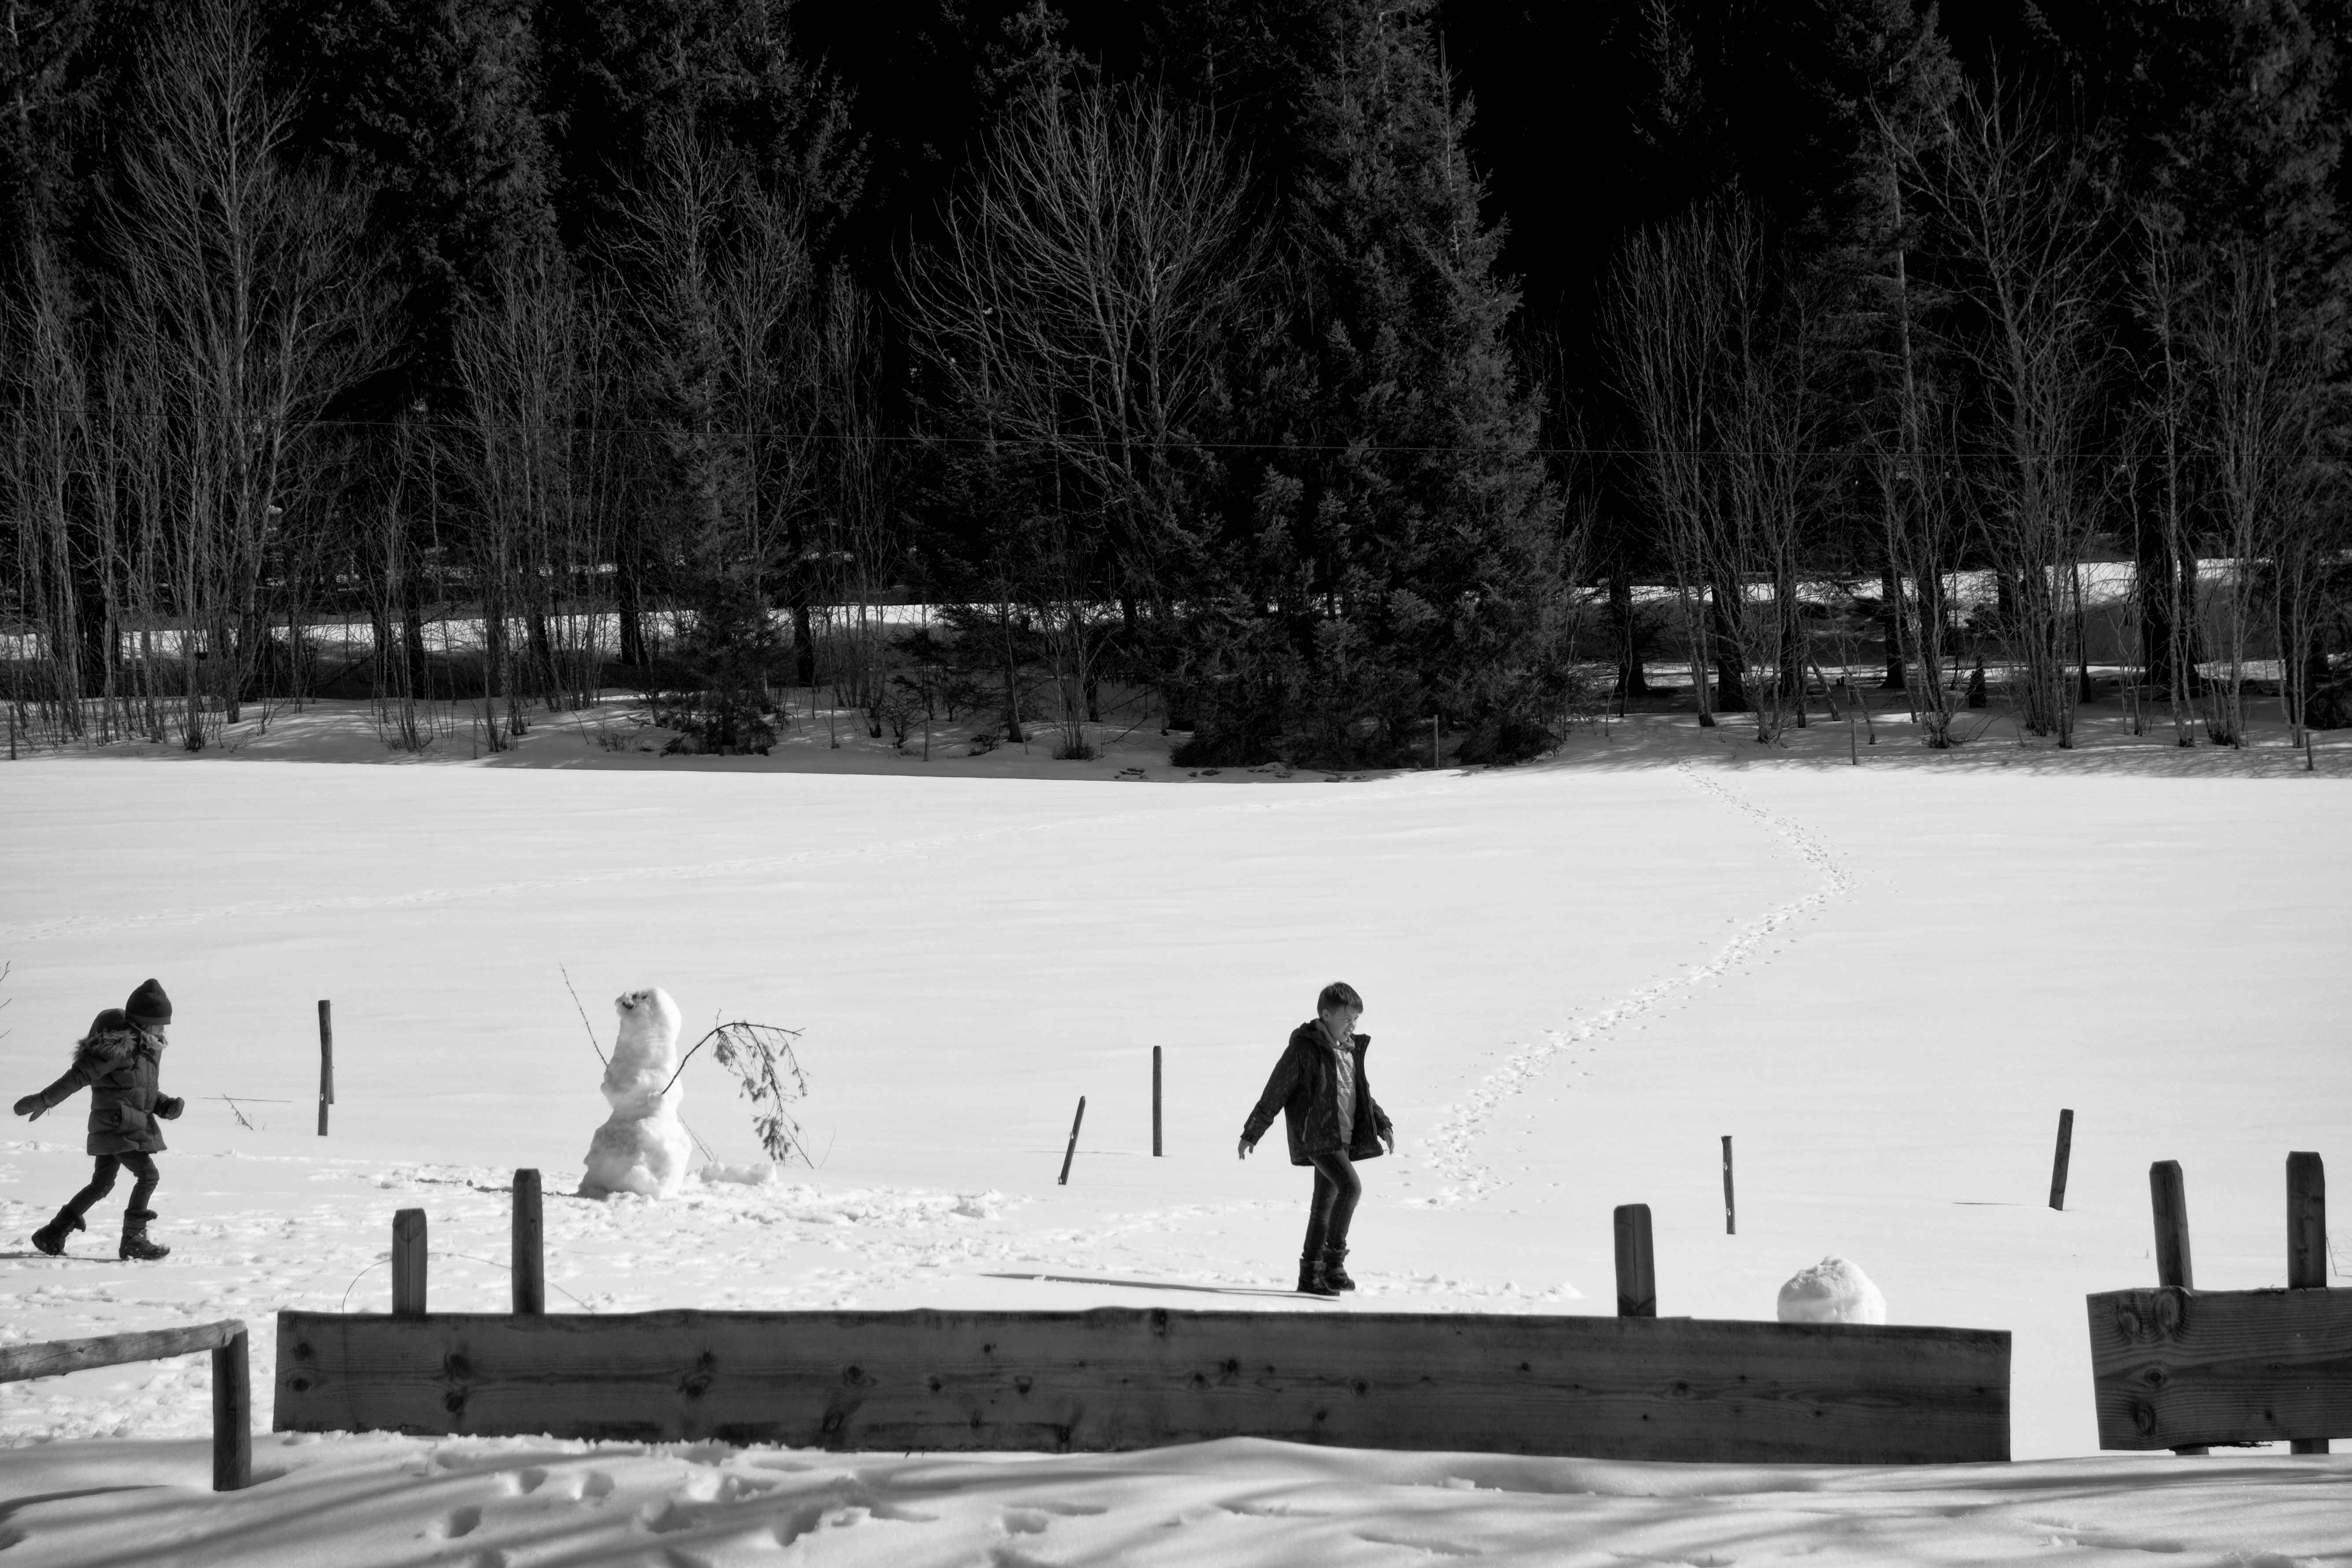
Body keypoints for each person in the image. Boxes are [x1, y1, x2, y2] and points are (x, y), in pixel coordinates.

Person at [1238, 980, 1394, 1297]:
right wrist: (1252, 1131)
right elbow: (1276, 1090)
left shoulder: (1350, 1052)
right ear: (1325, 1015)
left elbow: (1362, 1094)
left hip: (1343, 1138)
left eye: (1356, 1020)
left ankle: (1311, 1274)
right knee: (1351, 1188)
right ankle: (1334, 1262)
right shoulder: (1304, 1049)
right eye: (1346, 1019)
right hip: (1318, 1137)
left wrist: (1382, 1123)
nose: (1352, 1026)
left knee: (1323, 1208)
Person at [13, 979, 182, 1261]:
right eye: (160, 1024)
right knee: (148, 1176)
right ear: (144, 1023)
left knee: (102, 1185)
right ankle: (133, 1239)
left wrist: (163, 1105)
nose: (163, 1030)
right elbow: (78, 1077)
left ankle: (53, 1232)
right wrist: (45, 1100)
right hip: (118, 1126)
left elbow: (139, 1092)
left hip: (124, 1125)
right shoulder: (116, 1050)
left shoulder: (144, 1051)